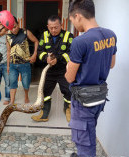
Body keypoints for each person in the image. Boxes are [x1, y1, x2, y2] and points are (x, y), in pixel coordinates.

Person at [65, 0, 117, 156]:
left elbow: (69, 77)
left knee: (85, 143)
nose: (73, 24)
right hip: (99, 97)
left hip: (83, 102)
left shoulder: (80, 41)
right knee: (89, 130)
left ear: (78, 16)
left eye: (72, 20)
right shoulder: (110, 35)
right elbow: (112, 64)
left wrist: (69, 66)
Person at [31, 15, 73, 122]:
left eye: (56, 27)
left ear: (61, 25)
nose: (53, 30)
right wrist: (46, 58)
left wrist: (58, 59)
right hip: (49, 71)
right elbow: (40, 52)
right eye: (51, 28)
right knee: (44, 92)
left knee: (68, 91)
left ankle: (67, 110)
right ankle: (44, 114)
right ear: (47, 26)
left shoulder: (69, 36)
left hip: (64, 70)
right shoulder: (44, 35)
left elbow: (71, 53)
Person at [6, 16, 38, 105]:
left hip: (25, 64)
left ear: (18, 23)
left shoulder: (25, 32)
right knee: (12, 83)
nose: (13, 29)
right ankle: (12, 101)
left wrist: (34, 54)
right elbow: (8, 51)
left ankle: (26, 95)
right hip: (13, 64)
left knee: (25, 83)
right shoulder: (8, 35)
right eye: (11, 28)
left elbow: (36, 41)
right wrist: (8, 65)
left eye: (15, 26)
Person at [0, 34, 10, 105]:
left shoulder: (7, 37)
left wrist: (8, 65)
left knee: (8, 82)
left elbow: (9, 51)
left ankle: (7, 98)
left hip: (5, 63)